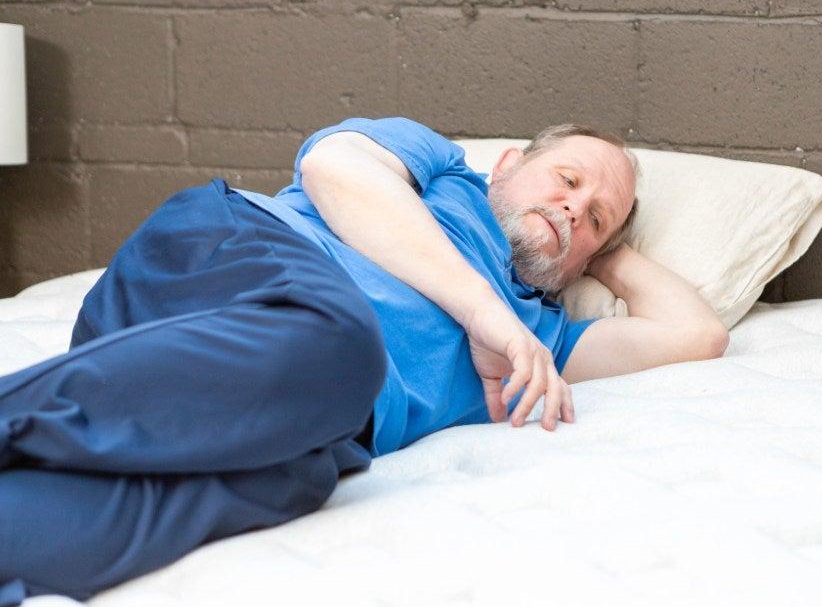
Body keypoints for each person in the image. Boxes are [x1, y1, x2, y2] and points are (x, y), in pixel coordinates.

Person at [0, 117, 728, 605]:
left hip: (299, 422)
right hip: (223, 266)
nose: (575, 208)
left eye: (594, 217)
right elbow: (331, 164)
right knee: (344, 347)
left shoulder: (544, 344)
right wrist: (483, 310)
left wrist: (602, 243)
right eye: (565, 180)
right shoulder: (442, 169)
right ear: (507, 164)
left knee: (292, 478)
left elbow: (696, 334)